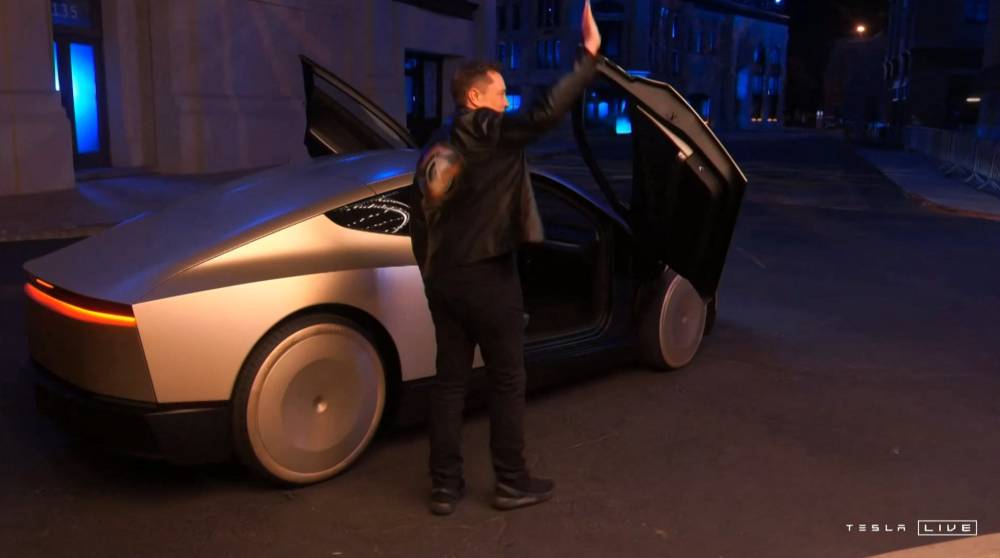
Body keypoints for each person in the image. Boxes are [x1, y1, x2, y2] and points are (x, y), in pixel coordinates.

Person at [409, 0, 602, 516]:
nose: (505, 100)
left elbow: (419, 215)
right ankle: (512, 481)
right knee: (507, 379)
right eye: (499, 93)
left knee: (449, 382)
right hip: (488, 277)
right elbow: (543, 114)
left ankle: (444, 486)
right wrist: (587, 57)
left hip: (444, 279)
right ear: (475, 97)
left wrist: (430, 275)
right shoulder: (485, 129)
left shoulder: (436, 142)